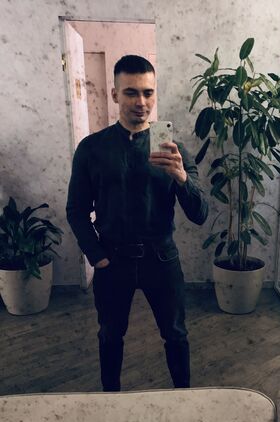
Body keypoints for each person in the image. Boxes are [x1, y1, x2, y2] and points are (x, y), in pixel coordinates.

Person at [66, 55, 208, 391]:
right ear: (115, 94)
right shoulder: (92, 149)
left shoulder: (174, 150)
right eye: (131, 92)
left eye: (148, 92)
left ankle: (183, 399)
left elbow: (200, 213)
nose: (141, 102)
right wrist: (96, 256)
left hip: (162, 258)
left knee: (176, 334)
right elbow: (76, 210)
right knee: (109, 335)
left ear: (155, 94)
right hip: (112, 260)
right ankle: (110, 400)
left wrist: (182, 177)